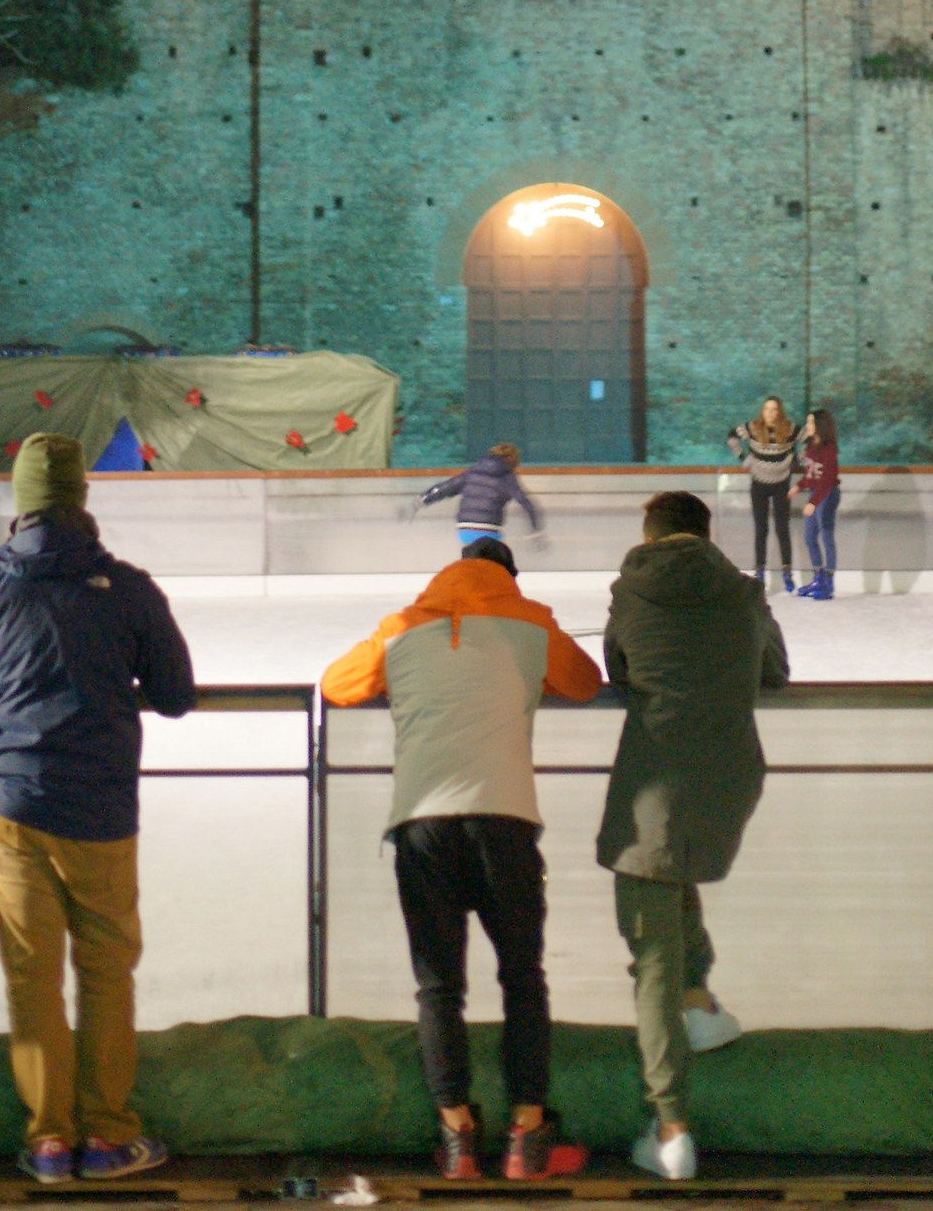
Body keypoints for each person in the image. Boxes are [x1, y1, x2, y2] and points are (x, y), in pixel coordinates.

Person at [0, 432, 195, 1184]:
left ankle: (47, 1141)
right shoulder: (129, 587)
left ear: (21, 502)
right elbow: (176, 695)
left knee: (31, 976)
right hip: (101, 808)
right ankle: (106, 1136)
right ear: (81, 497)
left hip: (9, 806)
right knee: (107, 973)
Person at [321, 536, 603, 1180]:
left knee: (438, 986)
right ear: (509, 577)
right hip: (504, 820)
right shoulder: (530, 621)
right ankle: (526, 1138)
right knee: (522, 978)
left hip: (422, 825)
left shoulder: (403, 627)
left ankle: (456, 1138)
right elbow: (585, 683)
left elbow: (336, 685)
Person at [596, 489, 789, 1180]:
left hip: (654, 778)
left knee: (650, 953)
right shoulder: (743, 595)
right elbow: (775, 671)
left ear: (649, 538)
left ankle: (672, 1127)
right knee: (669, 878)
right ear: (707, 536)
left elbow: (619, 672)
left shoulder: (630, 591)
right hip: (728, 775)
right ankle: (700, 1001)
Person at [726, 395, 796, 592]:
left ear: (779, 411)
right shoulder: (753, 428)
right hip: (759, 483)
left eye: (774, 409)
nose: (770, 413)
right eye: (767, 409)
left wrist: (796, 459)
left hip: (782, 483)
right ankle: (760, 572)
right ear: (762, 411)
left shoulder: (789, 429)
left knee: (782, 528)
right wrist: (744, 457)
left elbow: (808, 439)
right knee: (761, 528)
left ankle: (787, 573)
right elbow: (731, 436)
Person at [419, 443, 544, 551]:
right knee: (495, 561)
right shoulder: (508, 477)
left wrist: (422, 500)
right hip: (489, 529)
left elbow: (445, 487)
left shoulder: (473, 472)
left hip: (465, 528)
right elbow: (526, 503)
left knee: (471, 557)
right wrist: (535, 530)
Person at [792, 408, 840, 600]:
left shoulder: (829, 450)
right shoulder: (811, 447)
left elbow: (826, 481)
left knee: (826, 535)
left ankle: (828, 581)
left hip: (828, 495)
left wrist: (813, 502)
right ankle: (818, 577)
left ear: (820, 426)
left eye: (811, 423)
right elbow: (810, 475)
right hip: (816, 494)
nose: (808, 427)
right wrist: (798, 486)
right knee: (810, 536)